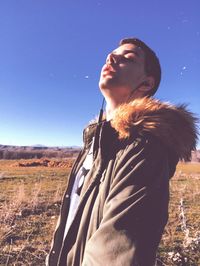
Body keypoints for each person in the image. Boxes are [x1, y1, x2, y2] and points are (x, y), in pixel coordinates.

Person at [47, 38, 198, 266]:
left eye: (128, 58)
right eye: (111, 54)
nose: (111, 57)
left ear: (146, 84)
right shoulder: (96, 143)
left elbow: (115, 253)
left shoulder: (144, 147)